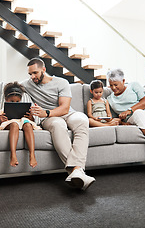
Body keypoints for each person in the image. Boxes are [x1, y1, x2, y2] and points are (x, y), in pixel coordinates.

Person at [21, 58, 95, 190]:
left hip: (64, 113)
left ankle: (75, 173)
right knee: (58, 125)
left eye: (35, 73)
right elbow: (11, 88)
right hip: (50, 119)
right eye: (30, 74)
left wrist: (46, 112)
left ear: (44, 70)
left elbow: (65, 108)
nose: (32, 77)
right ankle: (77, 171)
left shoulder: (61, 82)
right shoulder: (28, 84)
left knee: (82, 119)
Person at [0, 81, 41, 168]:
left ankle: (32, 155)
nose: (15, 104)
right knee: (14, 124)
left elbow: (33, 121)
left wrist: (30, 117)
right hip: (11, 123)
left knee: (28, 124)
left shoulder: (24, 108)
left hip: (22, 121)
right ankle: (13, 154)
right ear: (6, 100)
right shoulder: (3, 110)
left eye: (17, 101)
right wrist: (1, 120)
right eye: (12, 101)